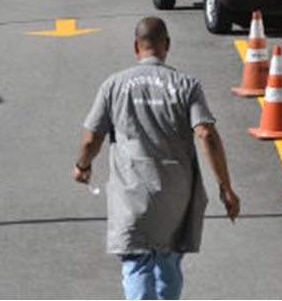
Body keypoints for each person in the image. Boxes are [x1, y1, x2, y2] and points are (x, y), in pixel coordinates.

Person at [73, 17, 240, 300]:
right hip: (175, 194)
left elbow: (91, 140)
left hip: (131, 194)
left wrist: (83, 167)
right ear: (168, 46)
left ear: (136, 46)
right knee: (168, 262)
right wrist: (226, 188)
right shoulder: (187, 85)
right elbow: (206, 135)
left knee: (136, 263)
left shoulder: (113, 85)